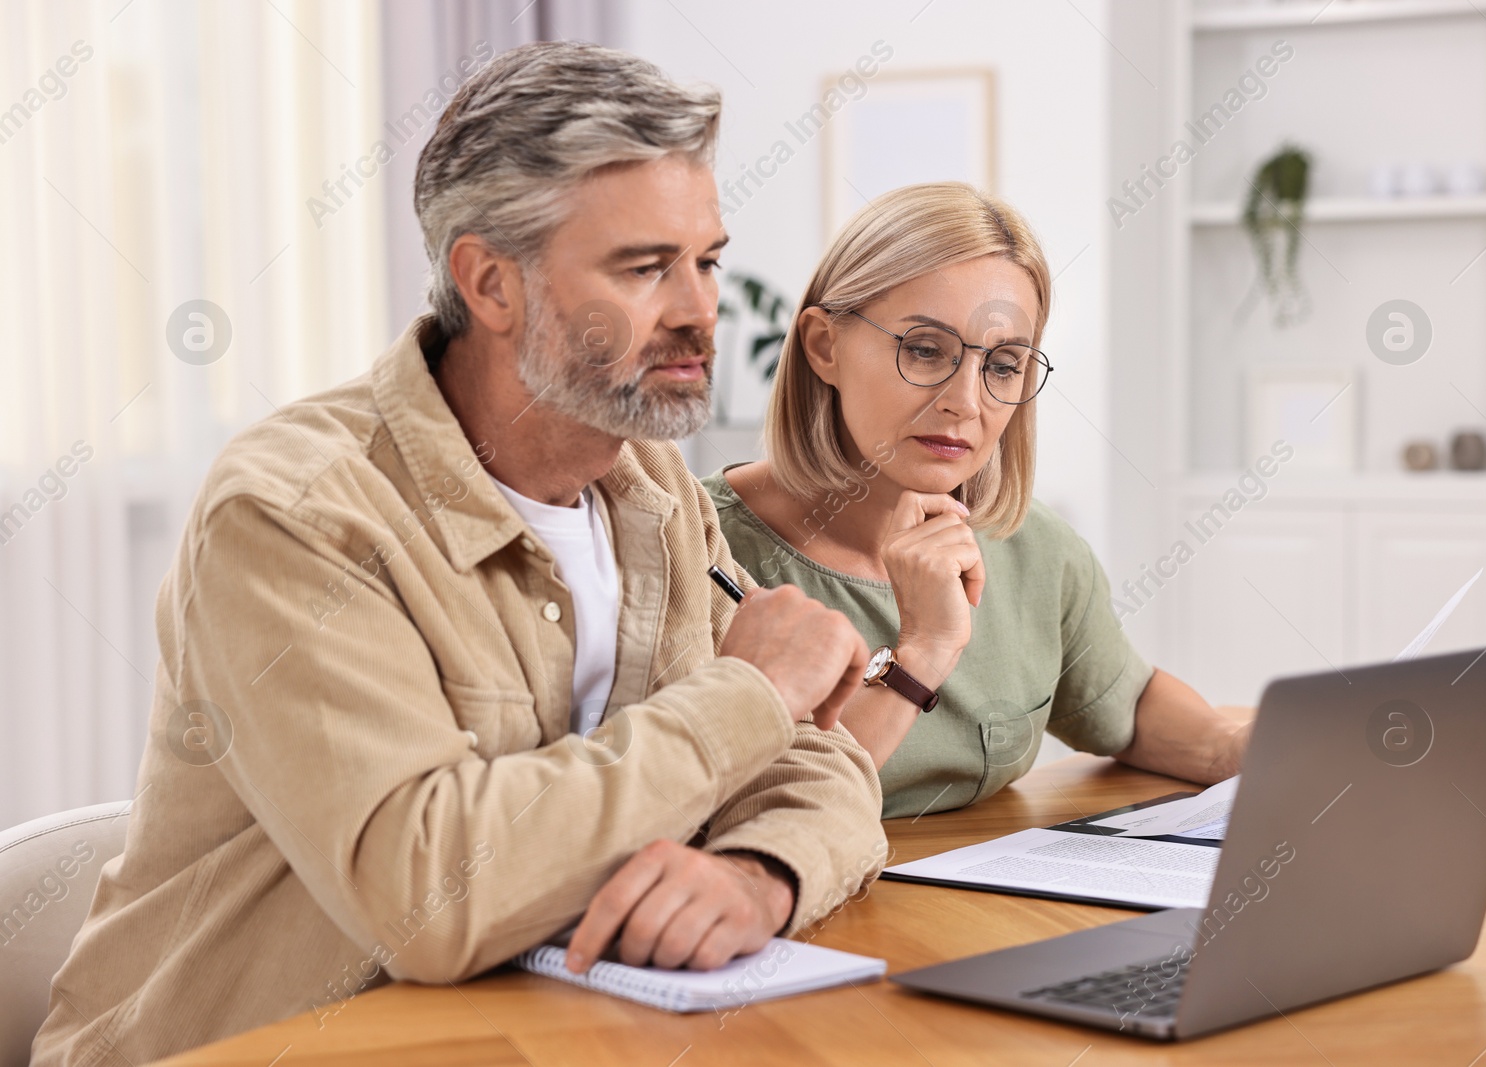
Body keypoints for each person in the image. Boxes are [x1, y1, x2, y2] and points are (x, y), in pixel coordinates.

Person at [33, 42, 886, 1066]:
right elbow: (432, 895)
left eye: (705, 259)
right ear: (489, 282)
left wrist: (758, 872)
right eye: (644, 266)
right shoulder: (294, 513)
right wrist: (749, 692)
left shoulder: (652, 487)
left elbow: (820, 761)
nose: (700, 309)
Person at [703, 183, 1251, 819]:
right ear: (824, 346)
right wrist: (923, 649)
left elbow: (1123, 704)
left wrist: (1237, 750)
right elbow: (759, 806)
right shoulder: (693, 547)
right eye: (925, 350)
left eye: (1002, 365)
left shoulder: (1035, 548)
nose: (967, 401)